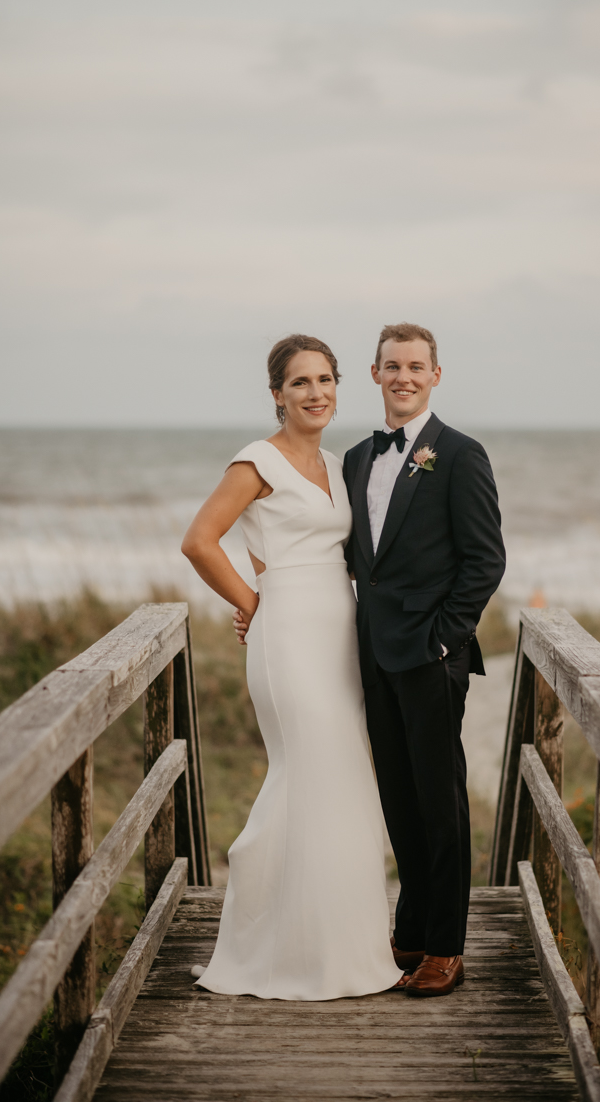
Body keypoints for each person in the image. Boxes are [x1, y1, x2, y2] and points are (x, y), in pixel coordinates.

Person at [181, 334, 404, 1000]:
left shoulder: (338, 466)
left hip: (339, 635)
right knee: (304, 773)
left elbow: (304, 545)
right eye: (301, 383)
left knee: (339, 781)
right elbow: (200, 540)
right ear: (276, 394)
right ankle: (271, 950)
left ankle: (335, 945)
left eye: (326, 380)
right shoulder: (257, 460)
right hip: (288, 640)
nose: (317, 393)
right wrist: (256, 601)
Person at [343, 322, 505, 998]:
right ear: (374, 373)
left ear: (435, 375)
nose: (403, 376)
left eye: (416, 366)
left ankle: (445, 947)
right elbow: (352, 560)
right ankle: (408, 933)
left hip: (431, 657)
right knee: (398, 799)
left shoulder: (460, 455)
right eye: (391, 365)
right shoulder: (356, 458)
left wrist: (445, 638)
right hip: (373, 656)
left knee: (440, 803)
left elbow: (484, 559)